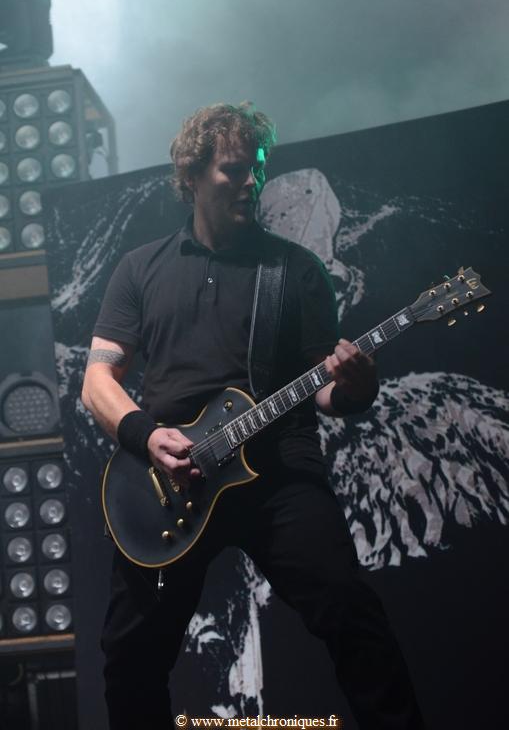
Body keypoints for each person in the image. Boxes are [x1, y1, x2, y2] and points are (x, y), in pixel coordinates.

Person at [81, 102, 425, 730]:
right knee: (129, 658)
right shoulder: (140, 268)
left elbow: (324, 391)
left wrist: (354, 389)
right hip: (169, 480)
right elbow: (97, 380)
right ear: (192, 175)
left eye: (258, 169)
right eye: (234, 170)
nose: (251, 183)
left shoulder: (295, 270)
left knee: (353, 614)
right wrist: (147, 436)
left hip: (277, 473)